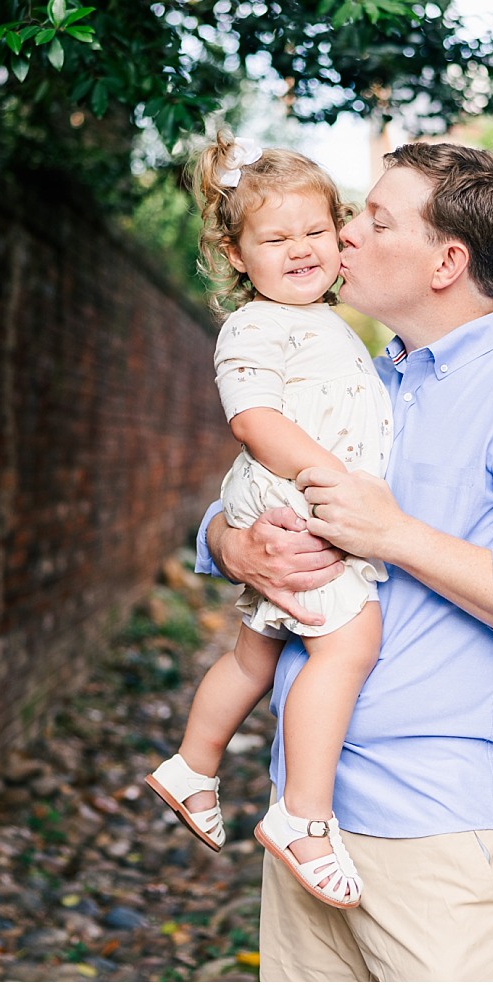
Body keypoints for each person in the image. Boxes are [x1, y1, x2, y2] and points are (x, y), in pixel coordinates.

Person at [196, 141, 493, 984]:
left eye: (374, 219)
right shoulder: (360, 376)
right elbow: (241, 495)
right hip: (306, 823)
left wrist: (395, 536)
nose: (345, 235)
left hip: (439, 837)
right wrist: (230, 544)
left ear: (446, 261)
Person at [145, 137, 391, 911]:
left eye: (315, 233)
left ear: (340, 233)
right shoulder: (256, 327)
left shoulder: (321, 323)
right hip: (294, 498)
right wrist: (332, 478)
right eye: (276, 239)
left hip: (291, 496)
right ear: (236, 253)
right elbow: (253, 422)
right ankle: (303, 818)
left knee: (256, 656)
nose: (300, 251)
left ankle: (193, 763)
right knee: (349, 642)